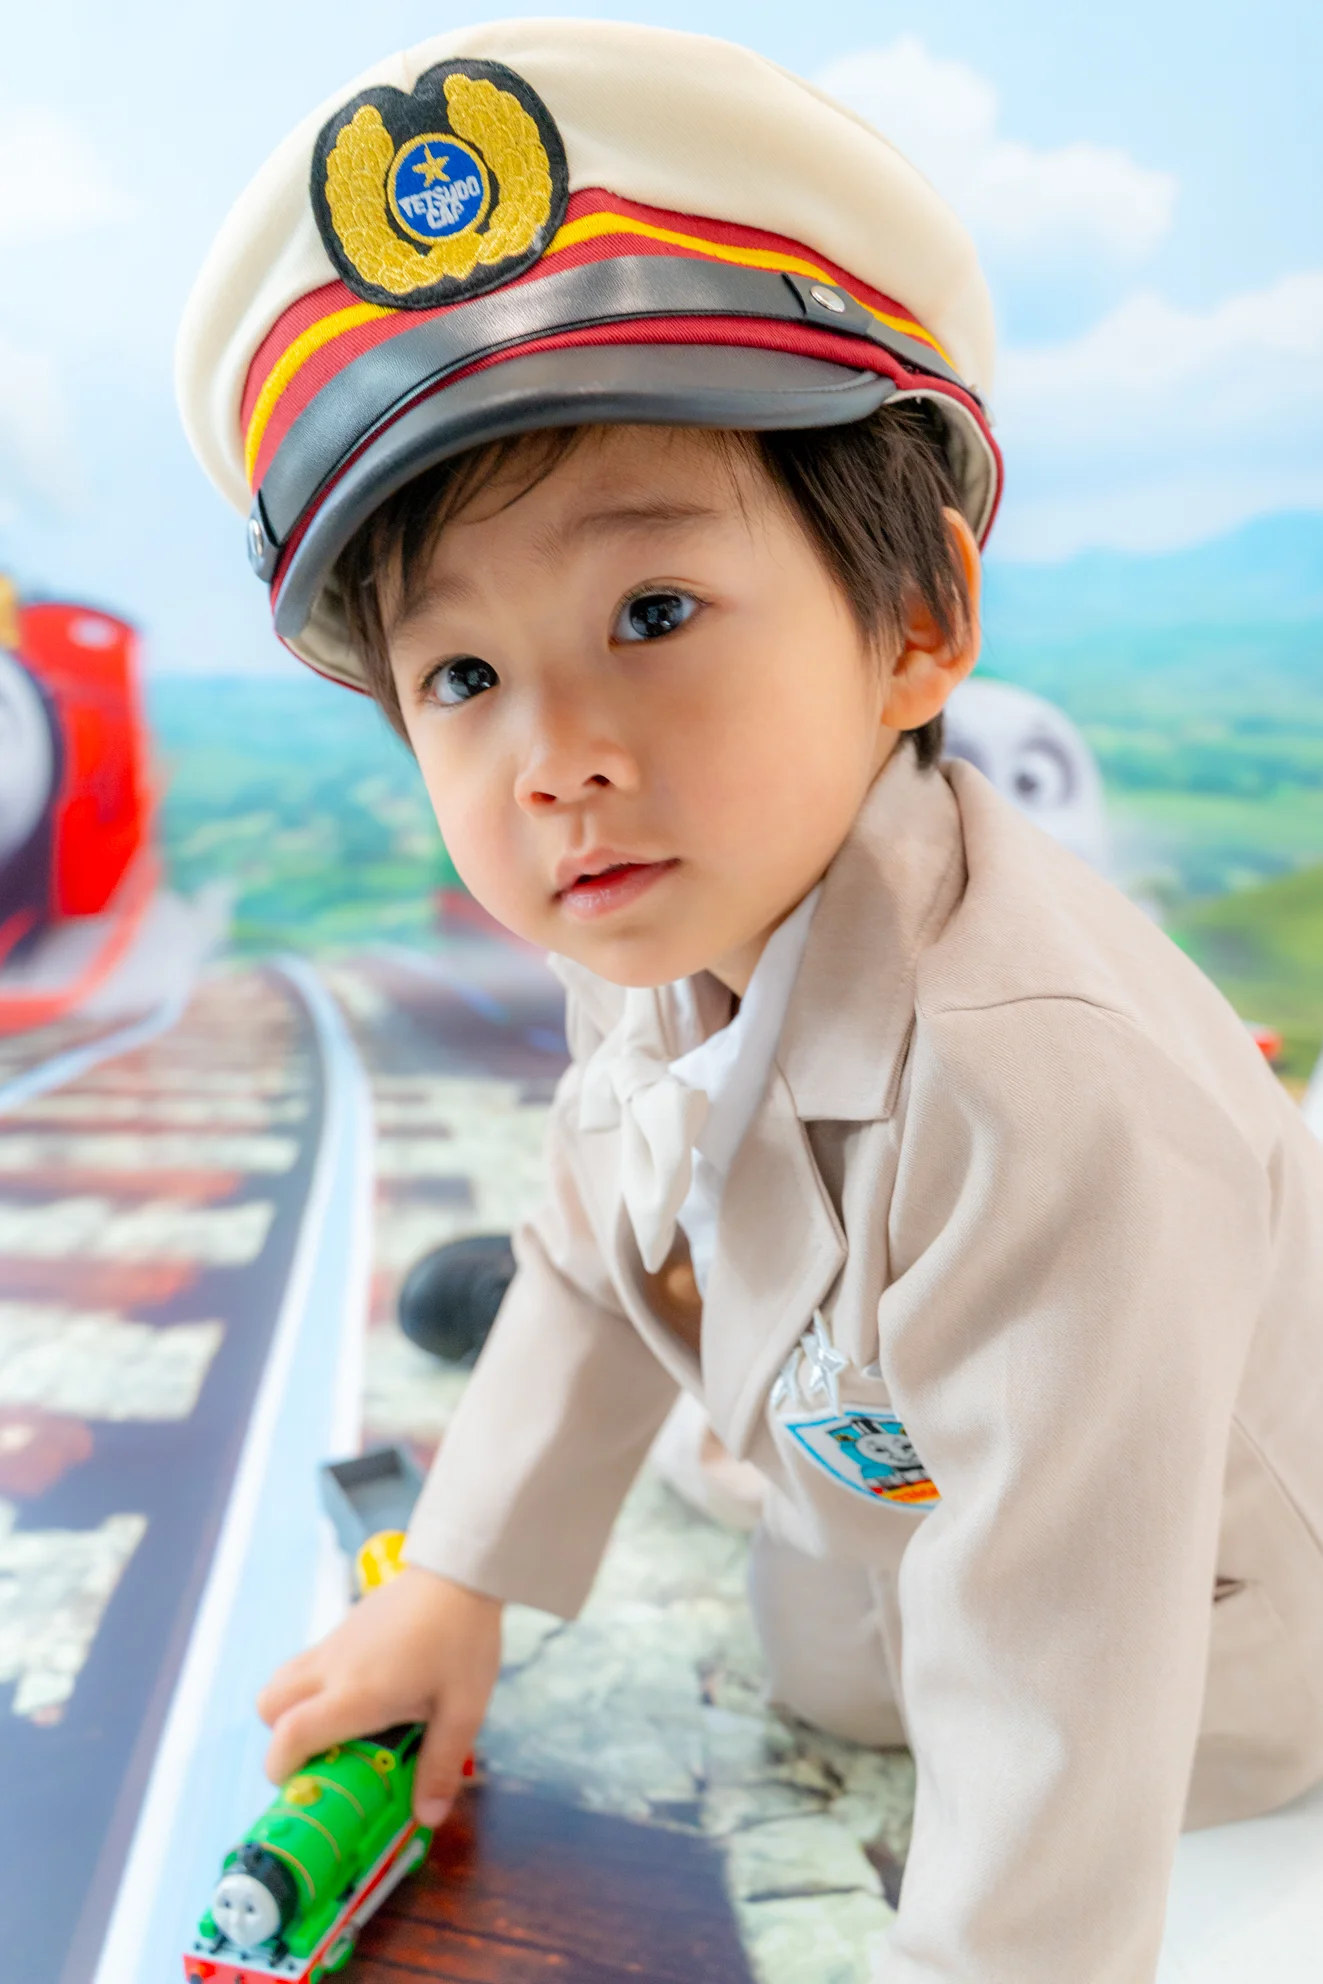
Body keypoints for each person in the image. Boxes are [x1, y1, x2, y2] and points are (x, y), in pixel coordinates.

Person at [176, 23, 1323, 1980]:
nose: (555, 757)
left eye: (650, 613)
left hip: (1193, 1662)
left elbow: (1058, 1675)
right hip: (877, 1521)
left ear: (917, 622)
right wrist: (452, 1582)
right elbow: (587, 1235)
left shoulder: (1044, 1101)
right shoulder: (664, 900)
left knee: (974, 1647)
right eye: (461, 677)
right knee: (789, 1523)